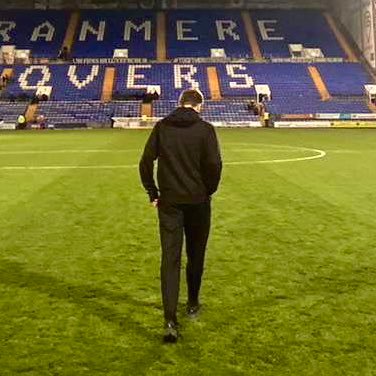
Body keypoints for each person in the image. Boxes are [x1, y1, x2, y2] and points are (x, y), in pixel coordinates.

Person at [139, 89, 222, 343]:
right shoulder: (206, 130)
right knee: (196, 255)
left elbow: (145, 162)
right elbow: (214, 166)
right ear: (199, 106)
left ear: (180, 104)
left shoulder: (163, 127)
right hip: (198, 202)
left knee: (170, 259)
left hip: (169, 202)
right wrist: (207, 190)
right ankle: (193, 303)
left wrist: (153, 192)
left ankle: (169, 320)